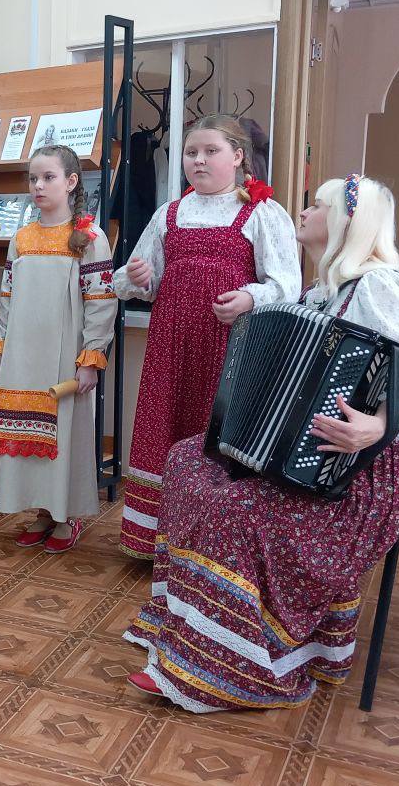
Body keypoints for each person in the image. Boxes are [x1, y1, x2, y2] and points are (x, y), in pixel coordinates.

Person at [122, 174, 399, 711]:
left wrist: (375, 428)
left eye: (315, 206)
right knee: (186, 460)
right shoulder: (324, 292)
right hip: (330, 450)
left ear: (345, 222)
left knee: (243, 509)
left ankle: (231, 665)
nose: (303, 212)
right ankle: (183, 628)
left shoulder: (382, 287)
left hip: (387, 461)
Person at [113, 115, 300, 561]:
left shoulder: (262, 213)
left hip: (230, 350)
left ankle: (211, 547)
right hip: (171, 347)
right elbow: (131, 281)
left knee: (216, 434)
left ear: (237, 157)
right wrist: (137, 277)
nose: (198, 160)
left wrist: (250, 298)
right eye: (191, 152)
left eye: (210, 151)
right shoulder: (169, 213)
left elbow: (288, 285)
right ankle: (157, 541)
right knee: (166, 429)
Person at [0, 144, 117, 552]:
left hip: (65, 355)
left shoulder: (88, 238)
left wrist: (91, 358)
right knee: (29, 435)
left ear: (71, 181)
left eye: (49, 177)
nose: (39, 185)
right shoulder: (22, 238)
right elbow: (7, 296)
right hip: (24, 355)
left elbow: (102, 301)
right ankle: (41, 511)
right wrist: (5, 344)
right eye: (33, 178)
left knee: (64, 434)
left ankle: (66, 516)